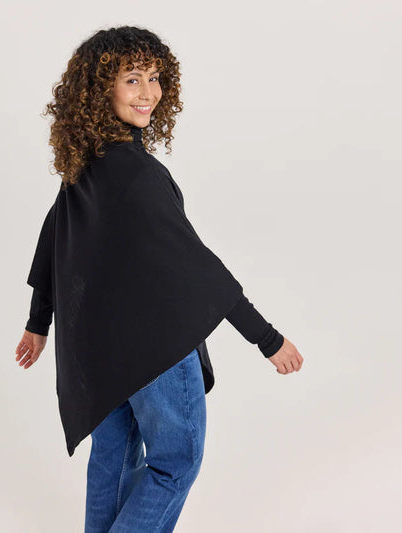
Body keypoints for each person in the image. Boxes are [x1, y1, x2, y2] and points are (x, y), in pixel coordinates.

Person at [15, 25, 303, 532]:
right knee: (175, 462)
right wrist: (267, 338)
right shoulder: (137, 173)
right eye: (132, 79)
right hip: (155, 346)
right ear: (100, 89)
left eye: (155, 77)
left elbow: (54, 235)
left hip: (100, 350)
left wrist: (39, 322)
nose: (148, 92)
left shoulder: (88, 164)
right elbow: (196, 264)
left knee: (113, 459)